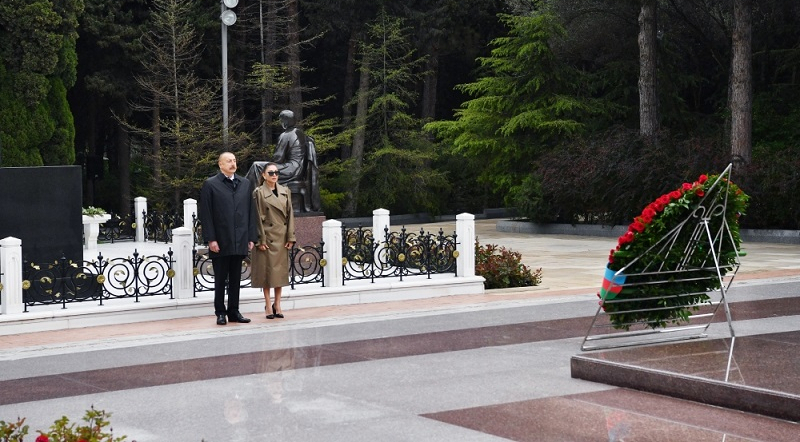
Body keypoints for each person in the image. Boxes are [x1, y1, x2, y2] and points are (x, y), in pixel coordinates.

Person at [199, 152, 256, 325]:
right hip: (221, 240)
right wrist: (211, 239)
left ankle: (234, 311)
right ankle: (220, 312)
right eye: (228, 161)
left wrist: (251, 237)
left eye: (234, 161)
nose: (233, 164)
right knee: (220, 278)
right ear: (220, 164)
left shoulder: (245, 184)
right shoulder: (211, 184)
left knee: (235, 279)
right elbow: (206, 214)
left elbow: (250, 212)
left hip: (240, 239)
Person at [250, 162, 296, 319]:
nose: (274, 175)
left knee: (279, 273)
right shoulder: (258, 193)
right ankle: (268, 305)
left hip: (282, 237)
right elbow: (256, 218)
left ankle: (278, 303)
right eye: (270, 173)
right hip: (267, 237)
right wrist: (260, 239)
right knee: (266, 272)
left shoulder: (285, 191)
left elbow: (290, 215)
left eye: (276, 172)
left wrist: (291, 236)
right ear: (263, 175)